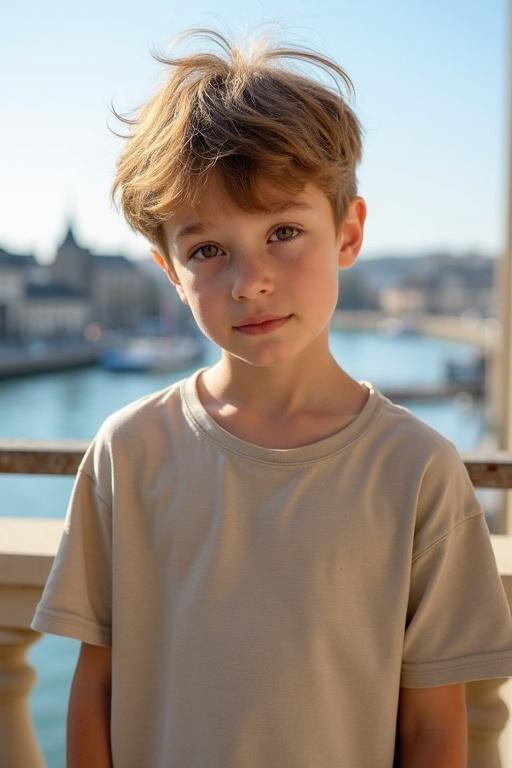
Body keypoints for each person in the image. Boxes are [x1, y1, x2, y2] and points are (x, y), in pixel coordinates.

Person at [31, 26, 512, 768]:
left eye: (283, 231)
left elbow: (433, 728)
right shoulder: (128, 453)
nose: (248, 280)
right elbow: (96, 688)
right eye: (207, 249)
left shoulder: (417, 470)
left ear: (348, 234)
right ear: (169, 270)